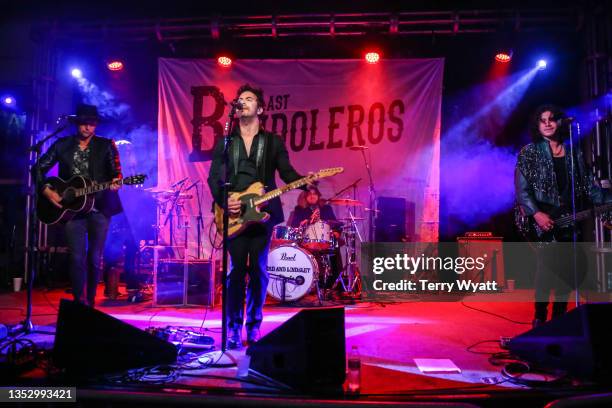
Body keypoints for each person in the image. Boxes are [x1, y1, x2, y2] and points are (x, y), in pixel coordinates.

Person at [207, 84, 307, 348]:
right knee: (236, 271)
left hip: (263, 212)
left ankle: (253, 327)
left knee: (259, 271)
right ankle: (232, 328)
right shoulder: (226, 141)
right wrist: (224, 201)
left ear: (260, 109)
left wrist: (307, 182)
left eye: (249, 99)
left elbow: (286, 172)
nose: (243, 102)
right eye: (240, 100)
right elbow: (214, 176)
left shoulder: (272, 142)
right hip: (234, 215)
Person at [515, 104, 610, 327]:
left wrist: (607, 199)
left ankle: (558, 319)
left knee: (568, 268)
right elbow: (522, 189)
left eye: (552, 119)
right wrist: (536, 213)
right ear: (537, 126)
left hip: (567, 218)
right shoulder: (530, 152)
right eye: (542, 120)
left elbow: (588, 187)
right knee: (548, 266)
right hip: (538, 219)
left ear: (559, 123)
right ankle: (539, 317)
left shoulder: (573, 152)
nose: (547, 123)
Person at [34, 104, 123, 307]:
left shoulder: (106, 145)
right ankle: (79, 303)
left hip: (99, 208)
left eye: (92, 124)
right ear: (77, 123)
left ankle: (90, 303)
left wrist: (117, 181)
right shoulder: (61, 145)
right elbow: (38, 168)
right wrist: (47, 190)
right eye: (84, 123)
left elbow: (116, 171)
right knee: (76, 258)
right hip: (72, 211)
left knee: (94, 258)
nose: (88, 128)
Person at [289, 186, 343, 290]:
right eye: (309, 194)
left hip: (325, 241)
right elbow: (294, 226)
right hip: (306, 243)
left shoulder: (326, 208)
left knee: (335, 247)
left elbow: (336, 224)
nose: (312, 196)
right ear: (305, 197)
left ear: (318, 196)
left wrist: (337, 232)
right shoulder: (300, 210)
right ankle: (307, 283)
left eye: (314, 194)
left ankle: (334, 284)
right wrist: (308, 221)